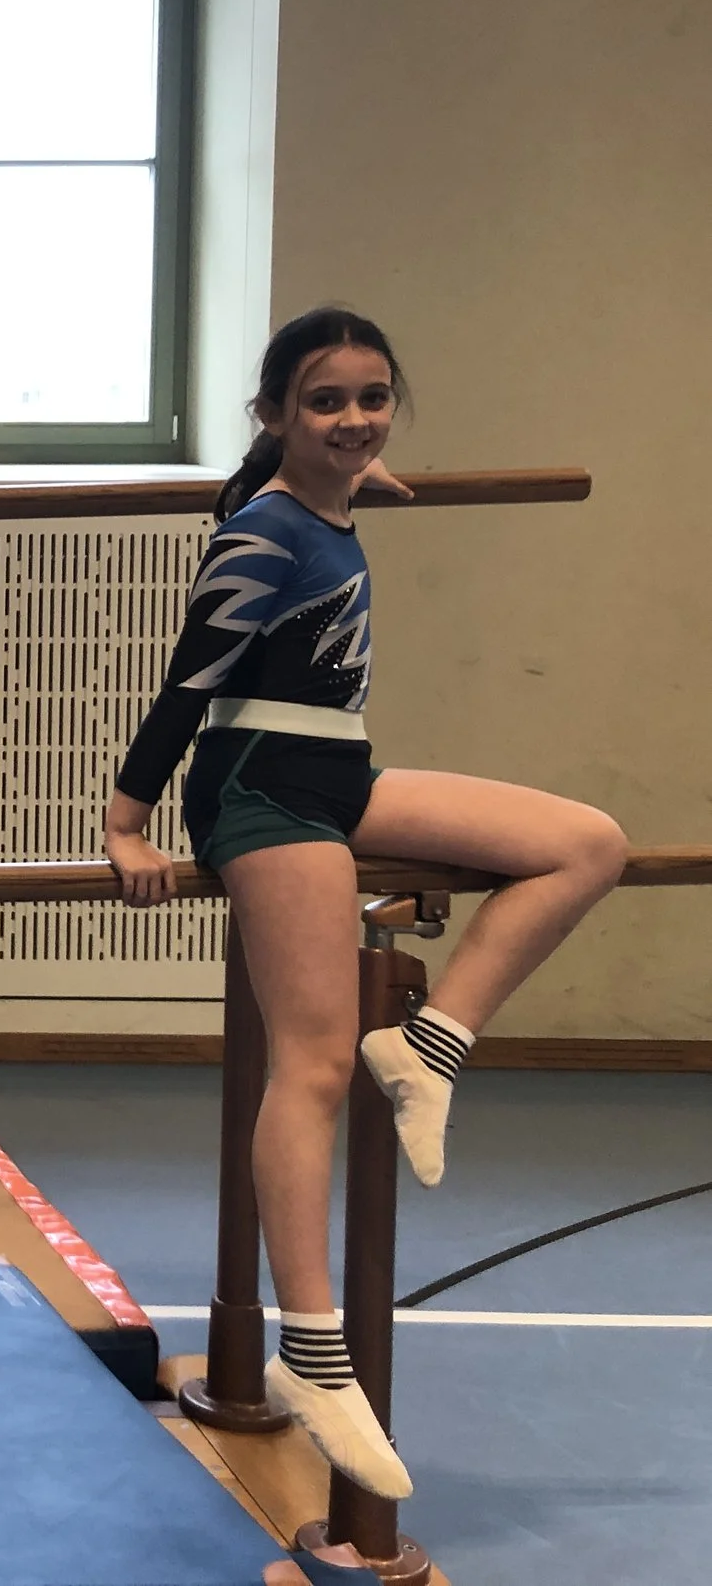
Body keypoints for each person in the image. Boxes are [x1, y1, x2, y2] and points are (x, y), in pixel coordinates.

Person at [105, 307, 626, 1501]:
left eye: (372, 399)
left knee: (583, 846)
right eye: (325, 403)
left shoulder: (325, 500)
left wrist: (351, 472)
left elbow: (332, 480)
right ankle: (310, 1350)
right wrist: (126, 821)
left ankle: (430, 1045)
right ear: (273, 414)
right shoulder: (262, 531)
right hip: (258, 789)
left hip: (338, 773)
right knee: (310, 1062)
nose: (354, 420)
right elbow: (187, 683)